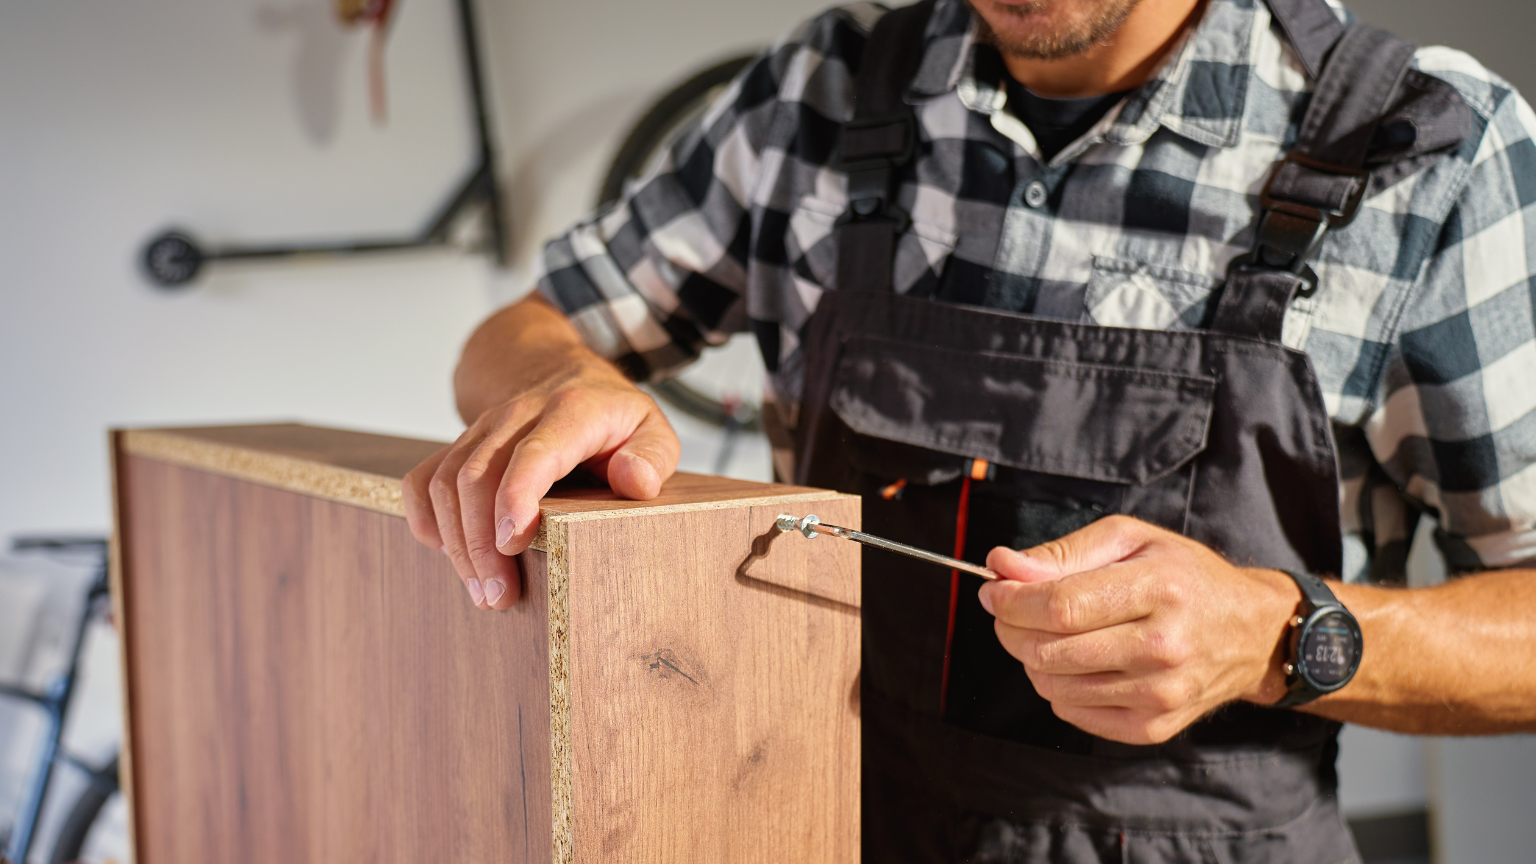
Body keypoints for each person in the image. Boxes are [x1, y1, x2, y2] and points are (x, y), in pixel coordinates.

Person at [402, 0, 1536, 859]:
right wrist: (563, 379)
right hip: (832, 820)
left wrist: (1280, 635)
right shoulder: (825, 91)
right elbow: (519, 332)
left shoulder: (1430, 149)